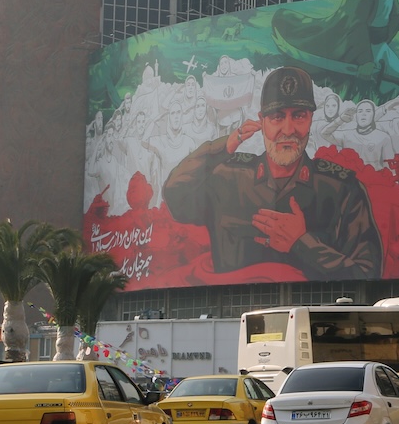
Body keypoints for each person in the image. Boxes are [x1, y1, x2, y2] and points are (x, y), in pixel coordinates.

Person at [163, 66, 383, 280]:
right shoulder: (228, 177)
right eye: (277, 117)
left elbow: (367, 274)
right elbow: (175, 195)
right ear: (262, 120)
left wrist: (302, 243)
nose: (288, 130)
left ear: (310, 119)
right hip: (233, 313)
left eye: (298, 116)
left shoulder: (341, 190)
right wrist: (223, 147)